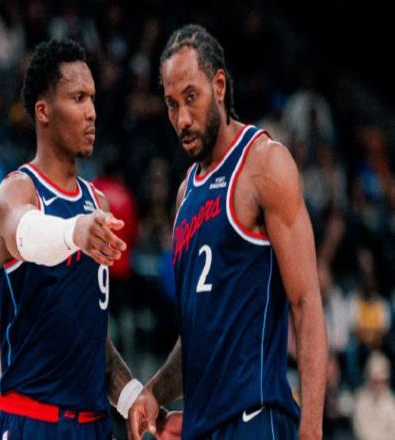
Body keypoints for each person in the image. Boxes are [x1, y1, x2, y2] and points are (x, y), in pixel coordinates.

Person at [129, 25, 327, 439]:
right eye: (171, 104)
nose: (182, 119)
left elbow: (306, 304)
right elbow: (198, 336)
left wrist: (311, 431)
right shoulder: (185, 194)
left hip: (256, 417)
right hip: (202, 427)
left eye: (191, 97)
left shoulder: (264, 164)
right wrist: (155, 393)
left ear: (219, 85)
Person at [0, 39, 152, 440]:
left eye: (93, 98)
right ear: (43, 111)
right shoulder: (16, 192)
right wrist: (72, 231)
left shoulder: (97, 202)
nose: (92, 111)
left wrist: (134, 399)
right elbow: (25, 233)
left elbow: (92, 340)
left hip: (93, 426)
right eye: (78, 98)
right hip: (31, 421)